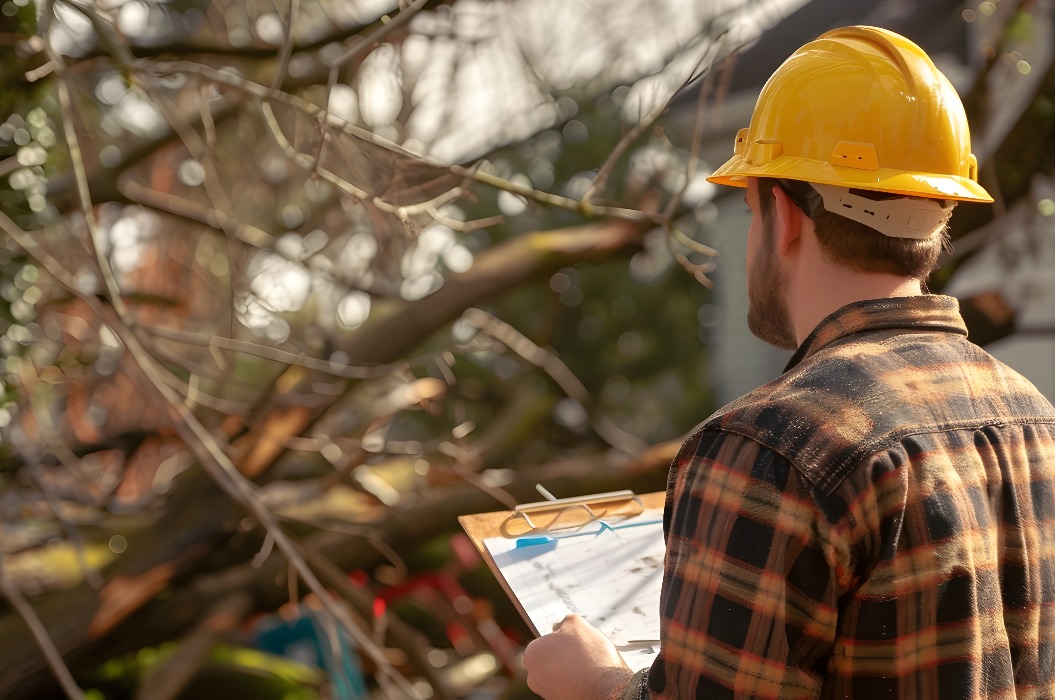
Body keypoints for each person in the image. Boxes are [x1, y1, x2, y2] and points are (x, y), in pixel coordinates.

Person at [522, 25, 1055, 699]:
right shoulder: (1033, 420)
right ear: (937, 212)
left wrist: (594, 684)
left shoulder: (772, 448)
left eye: (749, 208)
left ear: (781, 209)